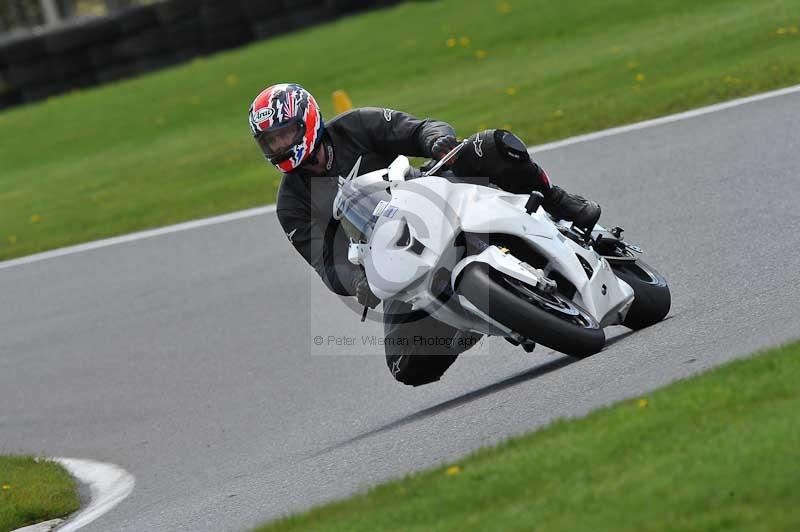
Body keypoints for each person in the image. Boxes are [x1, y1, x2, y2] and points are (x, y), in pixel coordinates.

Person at [249, 83, 601, 386]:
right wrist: (357, 280)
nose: (279, 146)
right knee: (408, 366)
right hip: (395, 257)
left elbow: (419, 129)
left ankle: (559, 202)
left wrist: (436, 140)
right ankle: (473, 317)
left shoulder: (356, 125)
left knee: (491, 145)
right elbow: (325, 261)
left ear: (307, 121)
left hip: (431, 195)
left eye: (285, 133)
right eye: (270, 141)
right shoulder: (291, 205)